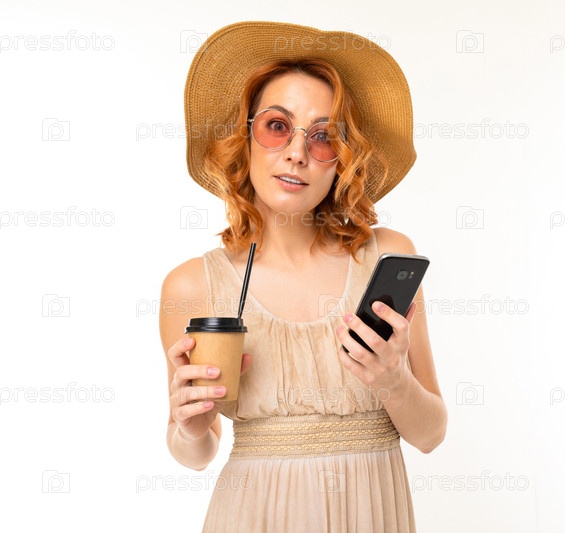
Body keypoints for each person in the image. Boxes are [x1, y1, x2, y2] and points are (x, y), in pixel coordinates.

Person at [159, 21, 447, 532]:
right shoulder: (192, 285)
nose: (296, 152)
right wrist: (191, 427)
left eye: (322, 137)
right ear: (244, 138)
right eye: (277, 126)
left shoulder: (388, 257)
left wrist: (393, 380)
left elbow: (430, 434)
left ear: (342, 160)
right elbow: (195, 454)